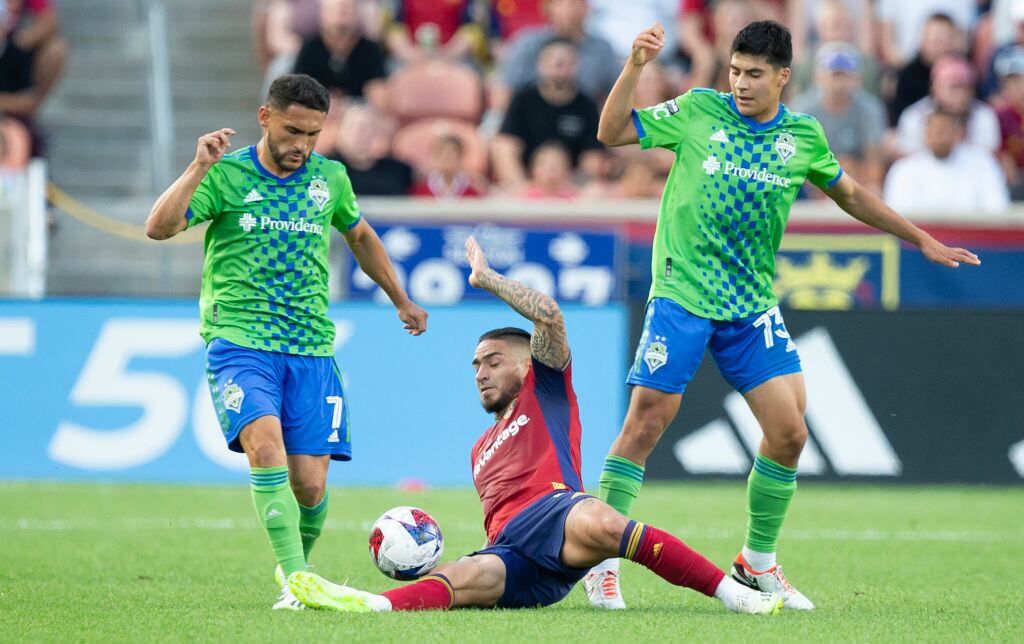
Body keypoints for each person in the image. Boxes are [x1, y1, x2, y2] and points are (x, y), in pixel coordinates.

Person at [590, 20, 980, 611]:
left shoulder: (802, 136)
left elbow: (851, 194)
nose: (741, 84)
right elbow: (612, 130)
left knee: (790, 433)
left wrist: (919, 237)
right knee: (647, 422)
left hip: (749, 303)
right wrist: (636, 66)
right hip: (683, 292)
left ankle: (756, 564)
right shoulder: (698, 110)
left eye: (754, 74)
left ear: (782, 77)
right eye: (735, 71)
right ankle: (599, 559)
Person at [282, 235, 785, 615]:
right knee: (466, 575)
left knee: (605, 521)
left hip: (559, 514)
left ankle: (735, 594)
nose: (480, 373)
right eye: (475, 366)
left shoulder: (545, 390)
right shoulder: (479, 449)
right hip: (515, 552)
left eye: (492, 361)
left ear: (526, 365)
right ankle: (371, 603)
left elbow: (548, 315)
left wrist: (487, 279)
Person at [144, 74, 428, 610]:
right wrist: (198, 166)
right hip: (240, 341)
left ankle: (294, 573)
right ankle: (299, 580)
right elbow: (158, 228)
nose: (302, 144)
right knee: (265, 447)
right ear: (265, 117)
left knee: (310, 487)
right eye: (293, 131)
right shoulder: (225, 174)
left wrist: (400, 299)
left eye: (313, 134)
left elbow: (360, 235)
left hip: (311, 346)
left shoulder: (330, 178)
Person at [492, 37, 602, 191]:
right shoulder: (523, 99)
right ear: (540, 65)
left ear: (576, 65)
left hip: (571, 188)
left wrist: (571, 189)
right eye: (552, 60)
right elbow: (505, 146)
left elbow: (592, 159)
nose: (558, 66)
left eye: (565, 62)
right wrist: (522, 188)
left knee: (597, 190)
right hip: (526, 184)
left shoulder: (587, 105)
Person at [789, 42, 886, 194]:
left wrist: (849, 172)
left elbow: (875, 163)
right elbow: (793, 161)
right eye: (834, 75)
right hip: (811, 182)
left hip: (856, 181)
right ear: (818, 77)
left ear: (857, 78)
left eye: (845, 76)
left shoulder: (870, 110)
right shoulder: (801, 110)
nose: (839, 83)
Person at [884, 108, 1010, 215]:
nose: (939, 137)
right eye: (934, 131)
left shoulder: (983, 164)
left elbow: (996, 209)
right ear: (925, 134)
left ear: (958, 133)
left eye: (945, 130)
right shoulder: (904, 169)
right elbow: (900, 215)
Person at [895, 56, 1000, 156]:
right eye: (953, 87)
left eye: (965, 87)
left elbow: (986, 157)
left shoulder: (984, 115)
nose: (960, 94)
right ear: (935, 88)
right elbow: (911, 159)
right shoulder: (914, 116)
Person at [292, 0, 388, 107]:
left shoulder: (370, 49)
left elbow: (378, 92)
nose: (342, 13)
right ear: (323, 16)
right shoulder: (310, 48)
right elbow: (298, 91)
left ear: (357, 15)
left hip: (359, 110)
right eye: (336, 10)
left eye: (348, 9)